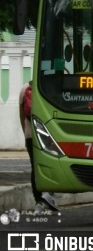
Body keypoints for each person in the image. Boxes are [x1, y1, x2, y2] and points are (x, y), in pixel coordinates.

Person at [19, 81, 58, 214]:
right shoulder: (47, 86)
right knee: (52, 164)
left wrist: (26, 134)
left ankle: (38, 201)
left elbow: (22, 115)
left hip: (31, 135)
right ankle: (49, 195)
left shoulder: (24, 88)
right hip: (47, 134)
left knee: (35, 168)